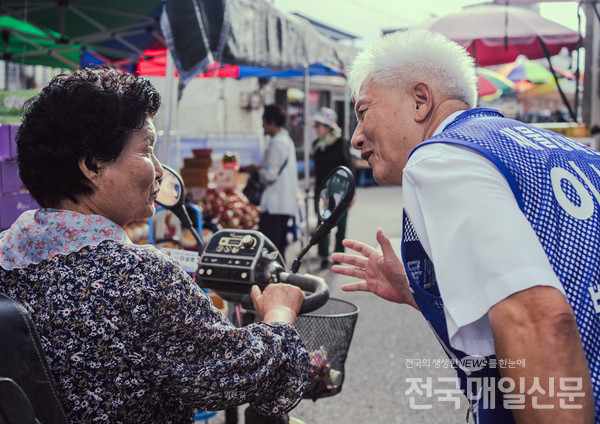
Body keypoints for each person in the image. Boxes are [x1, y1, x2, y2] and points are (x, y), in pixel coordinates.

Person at [0, 66, 310, 423]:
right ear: (92, 165)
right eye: (147, 150)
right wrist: (279, 315)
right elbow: (250, 376)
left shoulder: (9, 260)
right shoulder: (139, 278)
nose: (161, 170)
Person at [332, 29, 598, 423]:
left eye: (362, 112)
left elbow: (540, 320)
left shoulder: (442, 156)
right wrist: (418, 292)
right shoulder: (568, 150)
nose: (355, 138)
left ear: (421, 100)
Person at [244, 104, 298, 261]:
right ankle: (279, 279)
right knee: (278, 247)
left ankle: (272, 280)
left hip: (275, 204)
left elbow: (269, 175)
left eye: (264, 121)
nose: (262, 125)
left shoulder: (278, 143)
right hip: (282, 203)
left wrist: (256, 171)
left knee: (270, 248)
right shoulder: (285, 140)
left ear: (271, 122)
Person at [311, 107, 355, 269]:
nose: (316, 129)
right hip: (322, 189)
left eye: (318, 125)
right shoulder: (316, 145)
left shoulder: (340, 143)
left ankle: (338, 255)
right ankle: (323, 255)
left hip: (341, 190)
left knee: (341, 224)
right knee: (322, 222)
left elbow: (349, 167)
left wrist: (352, 191)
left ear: (328, 126)